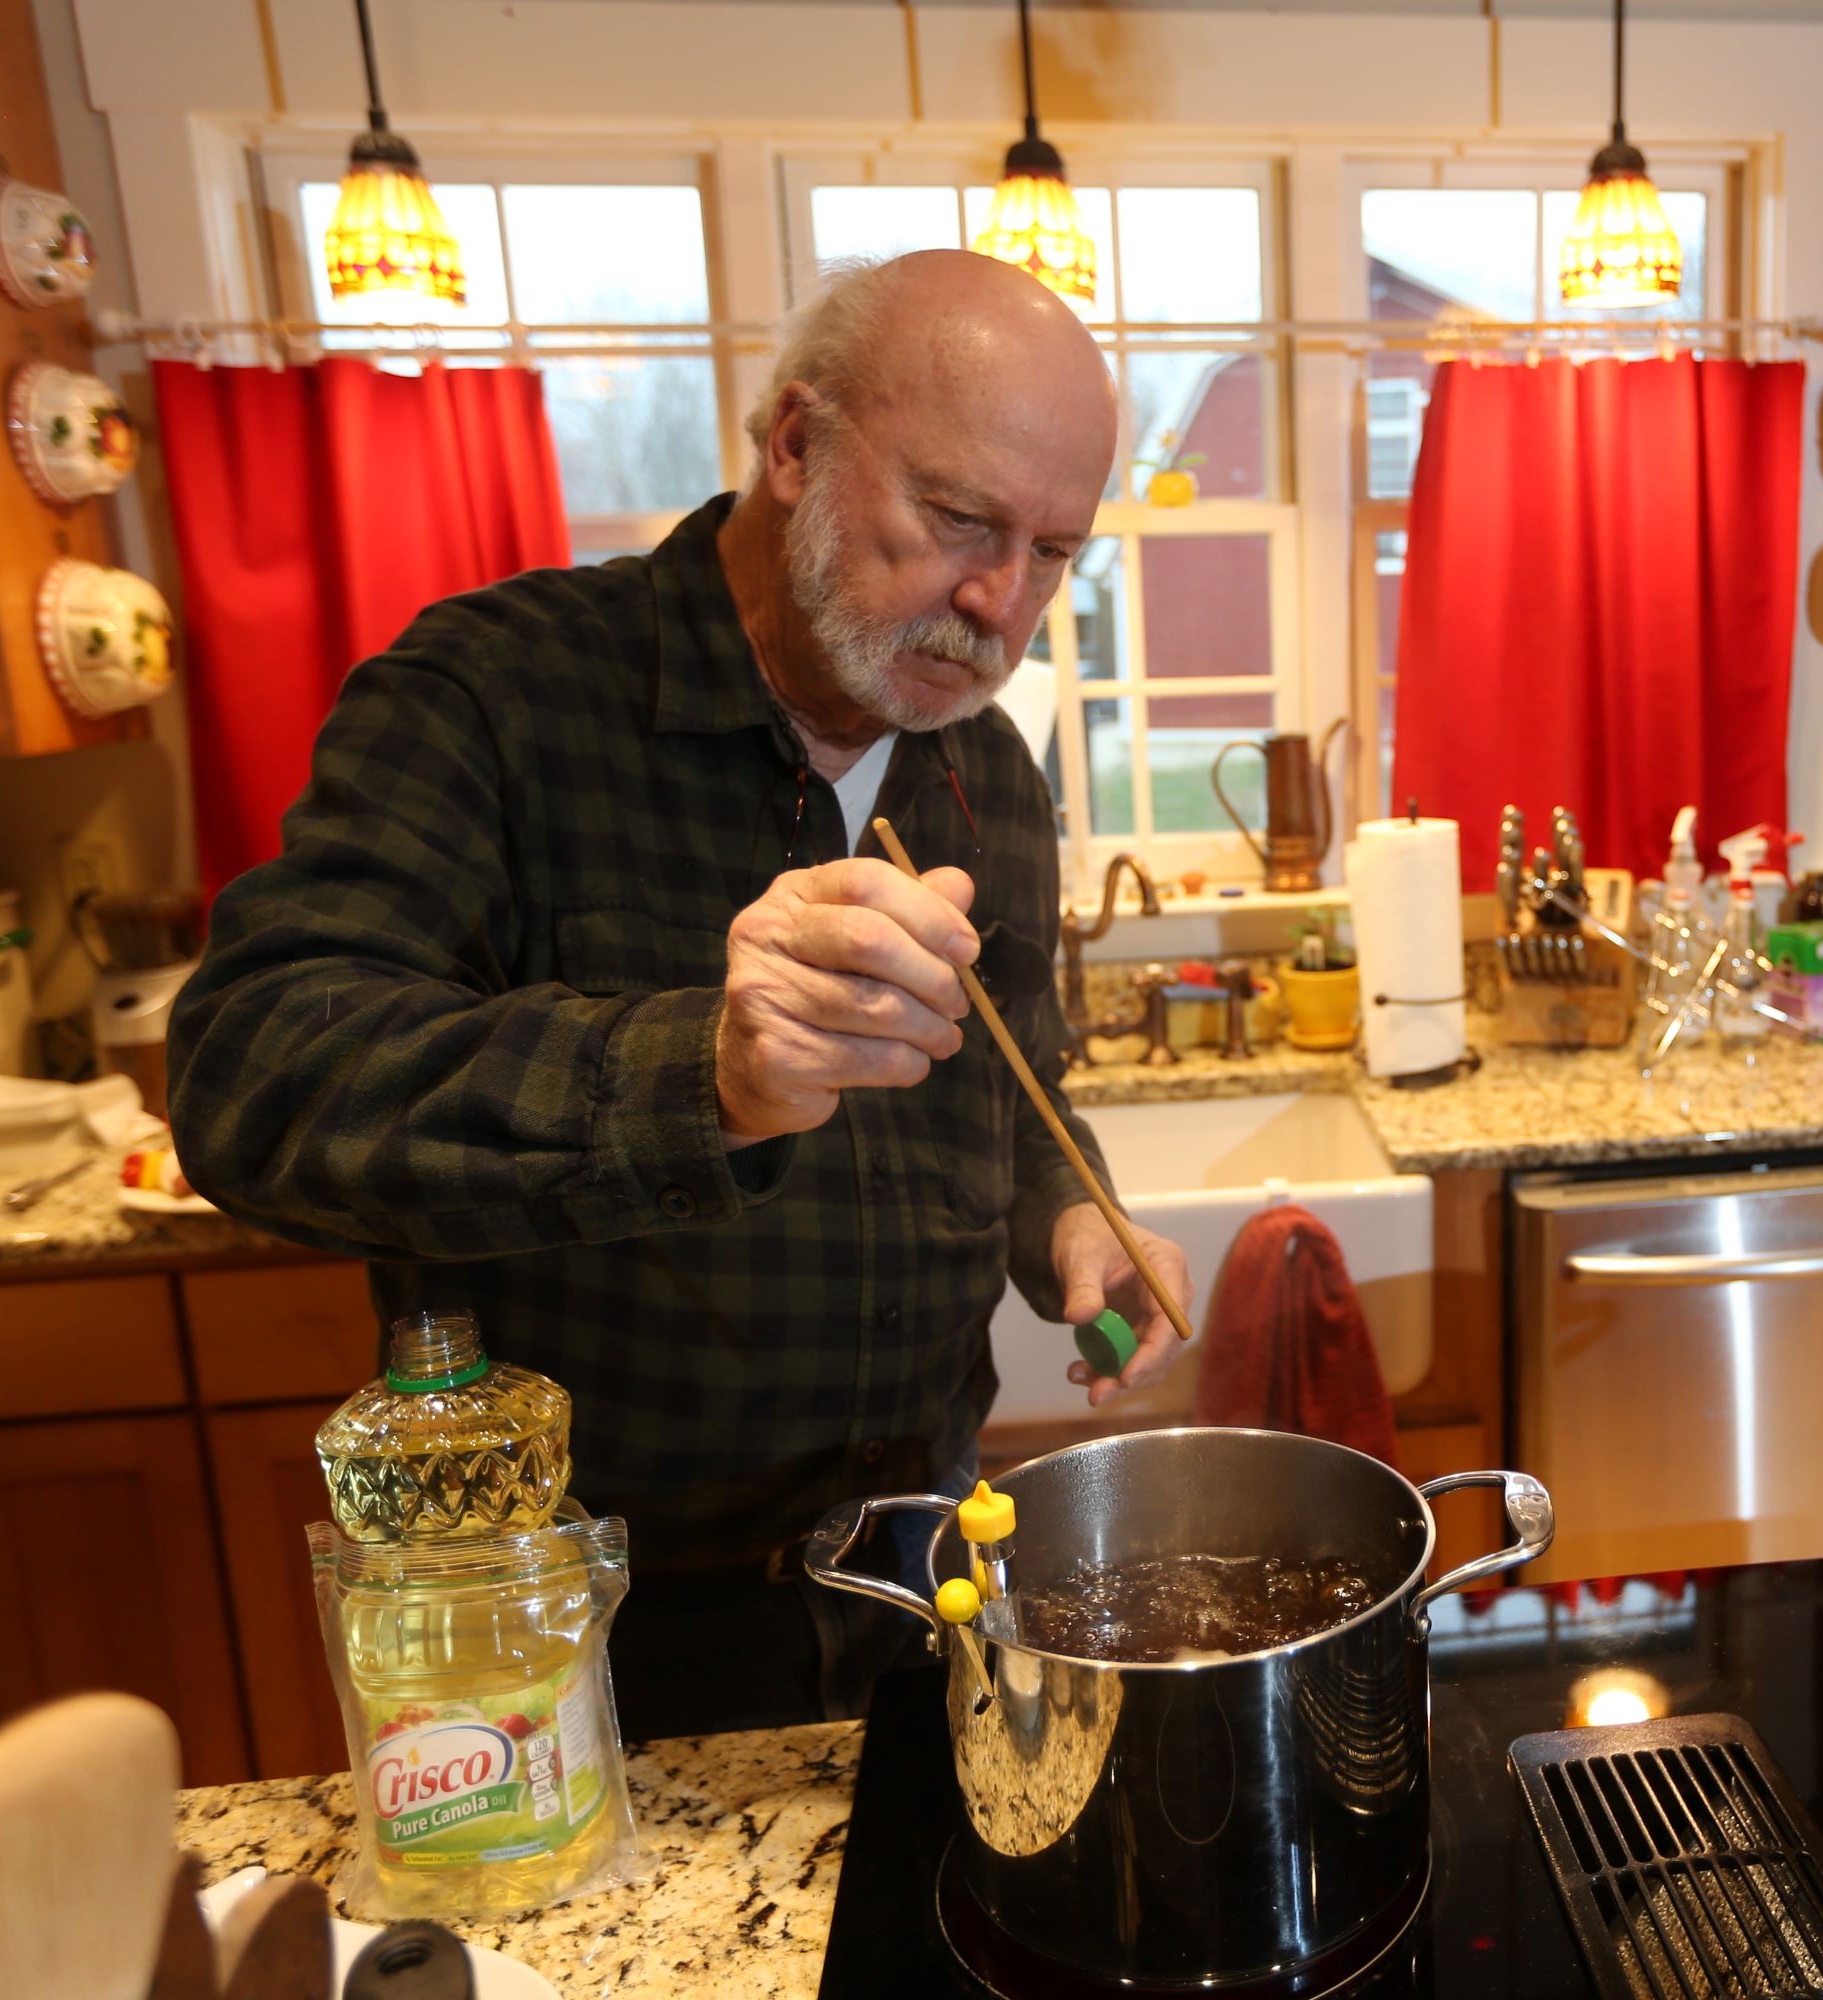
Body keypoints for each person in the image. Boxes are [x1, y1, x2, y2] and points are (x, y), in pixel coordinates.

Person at [168, 252, 1193, 1736]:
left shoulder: (987, 776)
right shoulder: (493, 697)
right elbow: (250, 1081)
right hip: (589, 1637)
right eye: (959, 518)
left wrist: (1070, 1211)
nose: (998, 600)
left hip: (928, 1590)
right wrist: (699, 1074)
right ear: (794, 446)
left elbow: (1010, 1086)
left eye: (1053, 553)